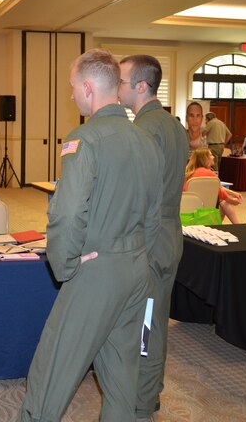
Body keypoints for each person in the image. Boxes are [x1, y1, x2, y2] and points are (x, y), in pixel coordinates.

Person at [19, 49, 162, 422]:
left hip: (97, 269)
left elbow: (67, 213)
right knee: (120, 376)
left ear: (87, 87)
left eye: (71, 88)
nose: (71, 96)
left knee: (51, 371)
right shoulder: (145, 139)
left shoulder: (85, 138)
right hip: (136, 269)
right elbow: (155, 212)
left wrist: (64, 264)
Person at [119, 54, 189, 422]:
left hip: (149, 240)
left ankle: (142, 402)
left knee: (145, 325)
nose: (117, 89)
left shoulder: (145, 129)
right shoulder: (173, 126)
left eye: (122, 81)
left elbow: (137, 195)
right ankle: (150, 394)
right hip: (168, 234)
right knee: (156, 318)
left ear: (141, 86)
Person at [184, 149, 243, 224]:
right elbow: (221, 194)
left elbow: (217, 187)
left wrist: (232, 193)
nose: (213, 157)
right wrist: (233, 201)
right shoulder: (209, 174)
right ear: (205, 158)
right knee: (223, 201)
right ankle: (237, 225)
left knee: (222, 202)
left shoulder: (189, 172)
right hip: (204, 208)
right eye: (211, 155)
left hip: (187, 207)